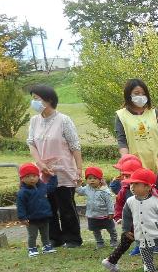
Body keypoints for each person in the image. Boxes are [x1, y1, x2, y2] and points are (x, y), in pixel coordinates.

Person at [27, 84, 84, 248]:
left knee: (66, 206)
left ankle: (72, 238)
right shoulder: (34, 121)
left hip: (63, 170)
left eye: (37, 98)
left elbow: (75, 146)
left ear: (49, 99)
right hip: (43, 172)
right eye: (33, 99)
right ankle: (54, 238)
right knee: (47, 206)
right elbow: (31, 143)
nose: (34, 102)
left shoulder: (64, 120)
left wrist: (79, 169)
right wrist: (39, 163)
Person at [114, 79, 158, 172]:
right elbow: (122, 141)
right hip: (137, 163)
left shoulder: (154, 112)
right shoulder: (121, 115)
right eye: (136, 93)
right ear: (128, 95)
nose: (140, 96)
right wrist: (125, 160)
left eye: (143, 94)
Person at [16, 163, 56, 257]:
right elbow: (20, 206)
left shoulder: (42, 187)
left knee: (45, 234)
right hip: (31, 219)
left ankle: (46, 246)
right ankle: (32, 249)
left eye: (34, 176)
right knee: (32, 235)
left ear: (38, 176)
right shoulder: (22, 192)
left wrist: (53, 177)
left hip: (44, 216)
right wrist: (22, 218)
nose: (32, 178)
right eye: (28, 176)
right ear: (22, 179)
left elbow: (51, 187)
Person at [75, 166, 117, 249]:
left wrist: (111, 212)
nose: (92, 180)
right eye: (89, 178)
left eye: (95, 178)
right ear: (87, 180)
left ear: (100, 179)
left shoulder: (104, 190)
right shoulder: (87, 188)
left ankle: (114, 241)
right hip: (92, 215)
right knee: (95, 230)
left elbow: (109, 202)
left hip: (105, 215)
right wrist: (78, 184)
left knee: (111, 229)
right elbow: (79, 191)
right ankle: (99, 242)